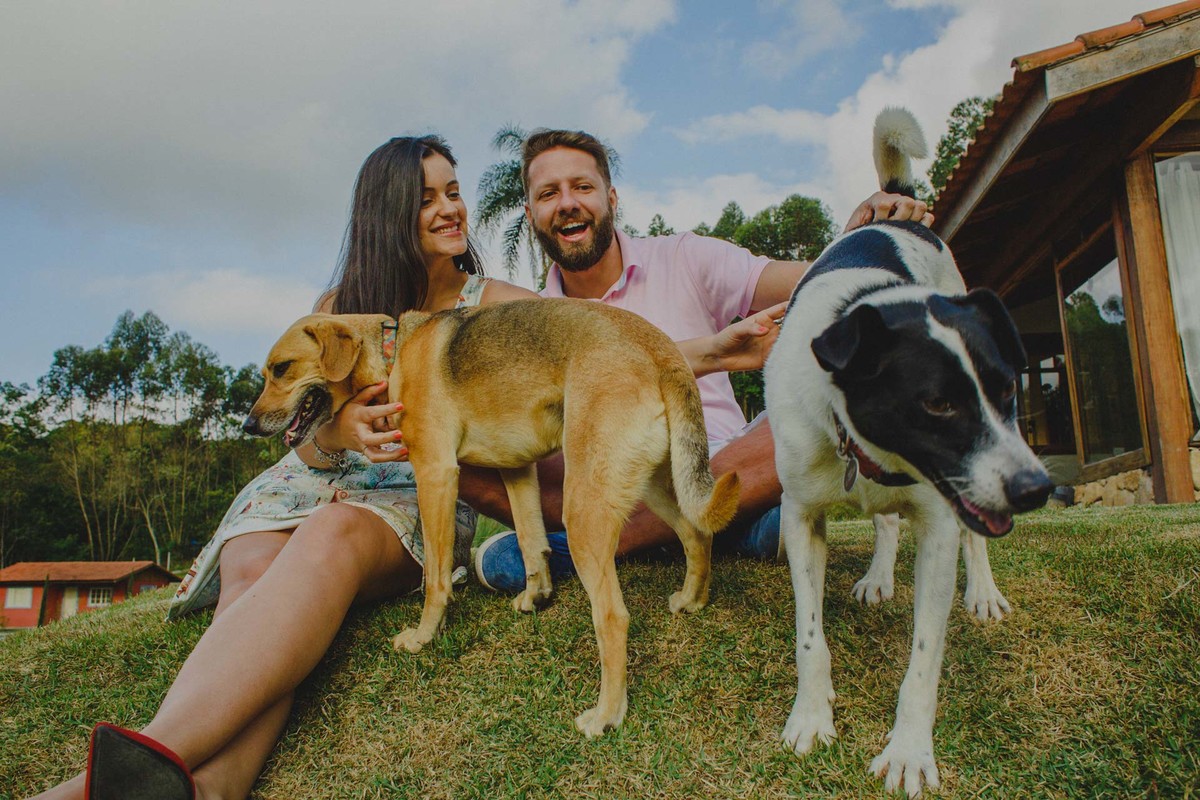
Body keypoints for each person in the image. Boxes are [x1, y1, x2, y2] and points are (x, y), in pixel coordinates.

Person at [29, 135, 543, 800]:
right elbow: (305, 446)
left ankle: (130, 767)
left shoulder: (500, 305)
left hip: (406, 495)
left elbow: (561, 387)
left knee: (329, 534)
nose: (450, 209)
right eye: (426, 200)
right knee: (253, 579)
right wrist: (343, 431)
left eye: (452, 192)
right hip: (306, 480)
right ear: (386, 214)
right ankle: (206, 790)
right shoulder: (336, 308)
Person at [471, 128, 932, 592]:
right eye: (549, 193)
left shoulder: (683, 257)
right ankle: (730, 524)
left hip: (725, 460)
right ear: (531, 214)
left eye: (582, 186)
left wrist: (859, 236)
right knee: (480, 441)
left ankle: (616, 541)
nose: (567, 203)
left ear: (610, 198)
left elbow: (811, 281)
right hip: (617, 483)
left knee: (820, 400)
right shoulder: (533, 320)